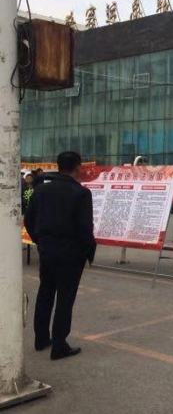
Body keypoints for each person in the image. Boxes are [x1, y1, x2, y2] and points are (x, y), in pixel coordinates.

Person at [25, 151, 96, 360]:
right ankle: (59, 345)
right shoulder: (81, 193)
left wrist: (40, 241)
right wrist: (88, 251)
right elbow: (85, 228)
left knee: (45, 293)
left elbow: (29, 220)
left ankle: (41, 339)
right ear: (78, 167)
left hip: (47, 250)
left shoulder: (41, 190)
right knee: (65, 299)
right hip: (71, 254)